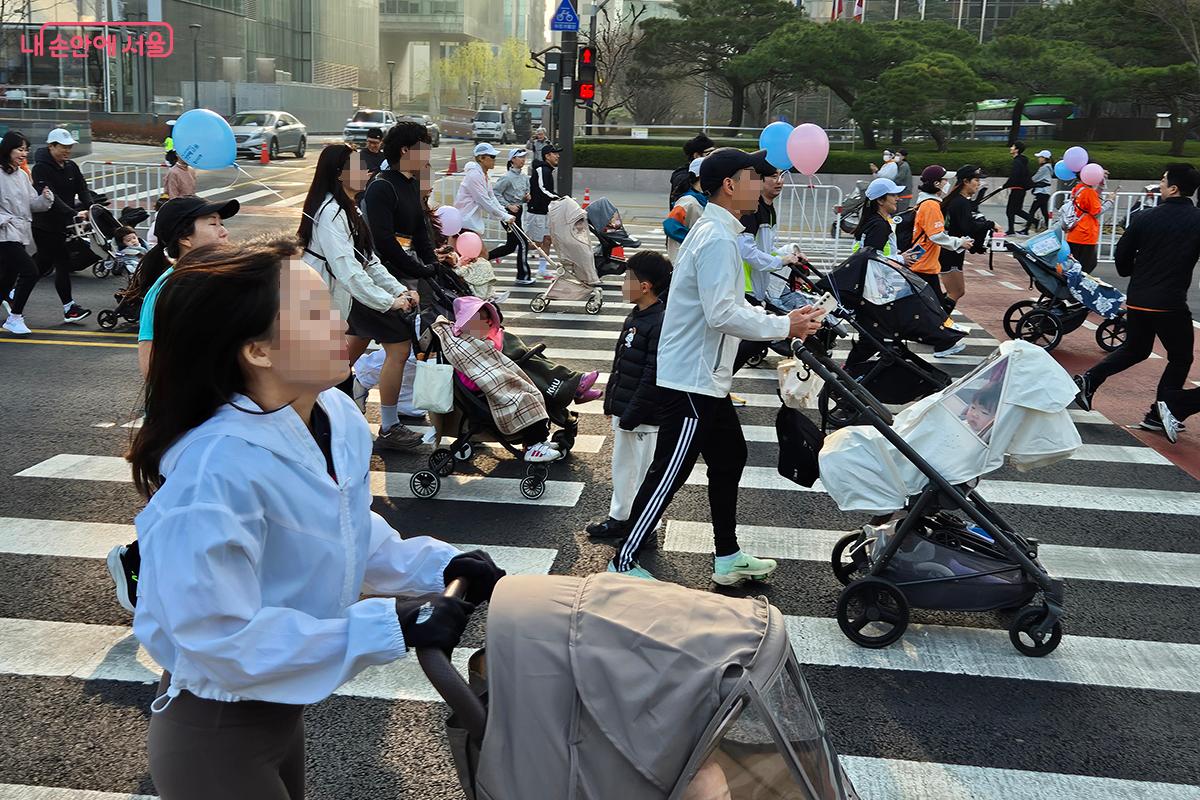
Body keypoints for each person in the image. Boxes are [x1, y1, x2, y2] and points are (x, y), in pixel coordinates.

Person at [127, 238, 504, 800]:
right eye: (314, 313)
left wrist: (439, 566)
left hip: (282, 712)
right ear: (257, 351)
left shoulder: (336, 415)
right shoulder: (216, 468)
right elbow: (215, 638)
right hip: (215, 728)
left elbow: (348, 532)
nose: (340, 322)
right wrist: (392, 626)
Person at [608, 148, 826, 581]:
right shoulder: (717, 238)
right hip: (692, 378)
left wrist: (783, 322)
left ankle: (727, 557)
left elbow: (728, 307)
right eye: (752, 174)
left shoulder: (719, 232)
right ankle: (624, 561)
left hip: (705, 375)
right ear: (730, 185)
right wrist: (784, 326)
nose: (761, 181)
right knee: (671, 471)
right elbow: (722, 313)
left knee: (730, 458)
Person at [1073, 164, 1200, 440]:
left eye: (1164, 181)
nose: (1161, 184)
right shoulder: (1197, 219)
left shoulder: (1144, 217)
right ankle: (1160, 412)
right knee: (1180, 357)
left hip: (1138, 298)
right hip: (1170, 302)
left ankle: (1089, 380)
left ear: (1174, 188)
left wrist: (1135, 270)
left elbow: (1122, 258)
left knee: (1136, 349)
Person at [298, 143, 419, 416]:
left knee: (330, 380)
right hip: (316, 308)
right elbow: (348, 270)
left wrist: (399, 290)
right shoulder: (330, 213)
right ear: (339, 174)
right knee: (322, 384)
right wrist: (389, 302)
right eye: (358, 166)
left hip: (336, 310)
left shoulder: (350, 209)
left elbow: (369, 261)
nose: (367, 169)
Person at [362, 120, 442, 450]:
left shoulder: (409, 184)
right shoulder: (382, 186)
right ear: (406, 150)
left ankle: (350, 391)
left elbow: (420, 232)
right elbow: (383, 241)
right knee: (399, 348)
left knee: (355, 346)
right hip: (382, 279)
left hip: (402, 276)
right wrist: (417, 270)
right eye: (422, 147)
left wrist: (433, 265)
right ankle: (389, 423)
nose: (427, 154)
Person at [587, 251, 672, 540]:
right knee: (623, 467)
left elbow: (652, 374)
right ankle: (620, 517)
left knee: (644, 471)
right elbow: (621, 364)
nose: (624, 284)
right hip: (628, 409)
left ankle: (646, 528)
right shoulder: (637, 316)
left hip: (644, 416)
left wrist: (633, 412)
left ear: (645, 285)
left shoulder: (659, 322)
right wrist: (613, 401)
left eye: (628, 278)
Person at [132, 196, 241, 379]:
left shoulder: (215, 277)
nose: (224, 232)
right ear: (185, 238)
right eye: (213, 224)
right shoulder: (170, 288)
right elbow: (151, 367)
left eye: (221, 223)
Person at [30, 128, 97, 323]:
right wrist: (73, 213)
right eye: (63, 147)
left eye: (70, 147)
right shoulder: (40, 168)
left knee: (44, 265)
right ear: (51, 146)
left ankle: (14, 293)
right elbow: (52, 198)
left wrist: (92, 207)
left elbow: (82, 189)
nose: (67, 151)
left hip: (63, 226)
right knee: (56, 263)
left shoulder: (71, 167)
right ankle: (69, 308)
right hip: (44, 225)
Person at [0, 130, 54, 337]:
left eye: (26, 150)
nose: (24, 154)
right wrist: (4, 220)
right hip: (5, 233)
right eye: (20, 149)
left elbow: (31, 204)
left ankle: (14, 317)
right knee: (30, 271)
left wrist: (45, 199)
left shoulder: (22, 174)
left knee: (6, 279)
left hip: (20, 232)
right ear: (8, 150)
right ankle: (15, 317)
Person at [907, 165, 971, 326]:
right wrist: (960, 242)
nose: (947, 183)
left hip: (924, 262)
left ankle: (934, 335)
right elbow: (936, 236)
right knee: (937, 308)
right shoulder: (931, 205)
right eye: (944, 180)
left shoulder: (927, 202)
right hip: (924, 264)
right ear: (936, 184)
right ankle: (943, 343)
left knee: (929, 306)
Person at [940, 165, 999, 315]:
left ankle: (937, 321)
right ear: (966, 181)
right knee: (956, 291)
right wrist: (990, 224)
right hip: (950, 251)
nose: (978, 183)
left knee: (956, 291)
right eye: (976, 180)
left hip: (952, 249)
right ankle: (938, 323)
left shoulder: (957, 200)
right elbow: (968, 227)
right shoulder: (960, 202)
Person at [490, 147, 532, 284]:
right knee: (523, 242)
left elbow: (525, 195)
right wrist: (508, 206)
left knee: (510, 246)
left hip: (519, 213)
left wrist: (527, 197)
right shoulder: (506, 177)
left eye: (524, 157)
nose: (523, 160)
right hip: (507, 215)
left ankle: (484, 258)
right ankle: (523, 276)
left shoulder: (524, 177)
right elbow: (495, 194)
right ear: (512, 159)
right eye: (520, 157)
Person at [454, 142, 515, 236]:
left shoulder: (483, 175)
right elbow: (484, 200)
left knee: (477, 251)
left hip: (471, 222)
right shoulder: (474, 175)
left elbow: (491, 196)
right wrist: (504, 216)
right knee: (480, 251)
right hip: (465, 221)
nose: (495, 159)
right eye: (492, 156)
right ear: (481, 158)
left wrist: (503, 211)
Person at [1064, 174, 1115, 275]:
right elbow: (1096, 212)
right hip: (1086, 234)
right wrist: (1110, 201)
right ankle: (1075, 287)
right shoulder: (1089, 192)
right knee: (1086, 266)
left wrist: (1101, 185)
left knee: (1074, 264)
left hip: (1074, 233)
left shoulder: (1077, 188)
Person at [526, 143, 562, 279]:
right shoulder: (542, 169)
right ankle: (511, 248)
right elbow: (542, 189)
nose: (558, 156)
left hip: (545, 212)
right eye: (555, 153)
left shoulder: (548, 170)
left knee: (547, 240)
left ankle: (542, 269)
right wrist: (558, 197)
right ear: (547, 156)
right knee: (536, 243)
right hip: (536, 212)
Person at [851, 177, 908, 259]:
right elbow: (874, 262)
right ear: (880, 200)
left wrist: (896, 255)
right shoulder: (879, 226)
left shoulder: (871, 221)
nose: (897, 199)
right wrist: (901, 259)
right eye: (893, 195)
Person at [664, 157, 707, 261]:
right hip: (683, 263)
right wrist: (694, 240)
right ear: (700, 176)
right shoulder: (688, 201)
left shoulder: (702, 200)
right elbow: (670, 225)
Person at [669, 133, 716, 208]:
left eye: (715, 152)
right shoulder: (681, 176)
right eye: (710, 153)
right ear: (696, 155)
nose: (714, 156)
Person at [1002, 141, 1035, 235]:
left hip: (1017, 189)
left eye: (1012, 147)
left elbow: (1014, 176)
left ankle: (1012, 229)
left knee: (1010, 210)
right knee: (1016, 210)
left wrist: (1005, 185)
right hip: (1021, 189)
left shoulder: (1017, 162)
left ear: (1016, 150)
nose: (1011, 148)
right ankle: (1034, 221)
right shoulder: (1022, 161)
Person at [1027, 149, 1054, 232]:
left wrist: (1027, 181)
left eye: (1040, 157)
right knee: (1044, 211)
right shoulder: (1048, 167)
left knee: (1032, 211)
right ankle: (1048, 226)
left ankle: (1026, 228)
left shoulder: (1044, 168)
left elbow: (1034, 178)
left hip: (1041, 192)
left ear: (1044, 158)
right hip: (1045, 192)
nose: (1038, 159)